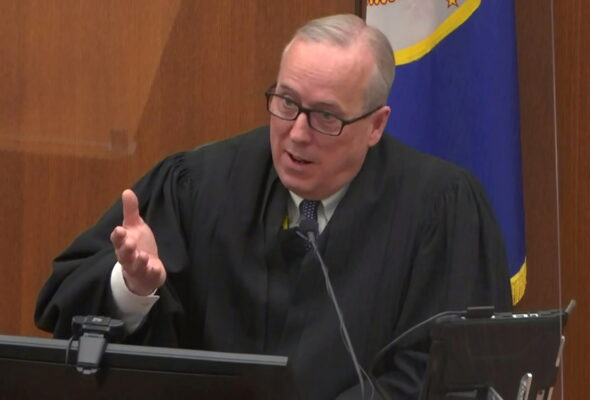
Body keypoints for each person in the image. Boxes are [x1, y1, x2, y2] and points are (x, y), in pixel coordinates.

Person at [35, 14, 511, 399]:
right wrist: (132, 289)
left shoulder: (440, 209)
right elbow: (64, 305)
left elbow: (446, 375)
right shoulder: (198, 185)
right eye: (286, 103)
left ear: (376, 125)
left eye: (326, 116)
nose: (297, 134)